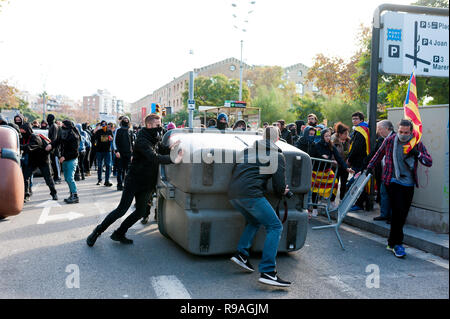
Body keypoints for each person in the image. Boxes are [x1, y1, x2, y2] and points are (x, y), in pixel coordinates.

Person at [86, 114, 183, 246]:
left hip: (147, 182)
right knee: (121, 210)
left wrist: (171, 148)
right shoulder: (142, 140)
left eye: (160, 124)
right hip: (134, 180)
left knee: (140, 212)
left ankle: (119, 233)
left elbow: (160, 149)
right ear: (149, 125)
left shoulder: (154, 136)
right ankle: (97, 232)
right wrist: (173, 159)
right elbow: (153, 157)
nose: (160, 127)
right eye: (157, 125)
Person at [228, 125, 291, 287]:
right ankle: (268, 271)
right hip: (251, 195)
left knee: (254, 221)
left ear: (262, 137)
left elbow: (236, 171)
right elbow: (278, 186)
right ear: (278, 138)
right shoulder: (277, 154)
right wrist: (283, 191)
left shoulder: (248, 151)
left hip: (234, 193)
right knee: (275, 226)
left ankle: (241, 254)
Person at [366, 119, 432, 258]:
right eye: (400, 131)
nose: (402, 134)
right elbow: (379, 154)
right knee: (397, 212)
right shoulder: (390, 140)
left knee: (402, 214)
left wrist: (417, 153)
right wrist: (369, 167)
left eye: (406, 132)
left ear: (411, 132)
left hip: (408, 183)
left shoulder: (416, 143)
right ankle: (398, 244)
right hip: (392, 180)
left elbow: (428, 161)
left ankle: (391, 242)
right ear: (398, 130)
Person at [310, 129, 354, 214]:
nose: (328, 137)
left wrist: (347, 168)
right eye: (326, 136)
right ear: (322, 136)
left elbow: (339, 158)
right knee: (316, 189)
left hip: (327, 170)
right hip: (316, 171)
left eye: (329, 136)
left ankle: (332, 202)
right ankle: (314, 209)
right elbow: (312, 155)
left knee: (335, 183)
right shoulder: (316, 145)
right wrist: (323, 157)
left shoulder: (331, 145)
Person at [20, 123, 58, 201]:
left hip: (43, 160)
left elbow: (30, 146)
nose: (22, 132)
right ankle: (26, 195)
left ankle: (54, 193)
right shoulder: (24, 138)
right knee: (25, 177)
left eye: (23, 130)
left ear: (27, 130)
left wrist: (20, 147)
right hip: (32, 160)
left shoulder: (35, 137)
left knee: (48, 178)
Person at [46, 120, 81, 204]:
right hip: (64, 159)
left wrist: (64, 157)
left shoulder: (74, 136)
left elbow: (75, 152)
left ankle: (75, 196)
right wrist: (51, 145)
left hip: (71, 159)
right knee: (67, 178)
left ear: (68, 126)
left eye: (63, 125)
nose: (62, 127)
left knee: (70, 178)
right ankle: (71, 194)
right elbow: (57, 141)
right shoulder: (64, 133)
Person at [371, 120, 395, 223]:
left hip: (393, 173)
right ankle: (384, 214)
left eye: (380, 129)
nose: (379, 131)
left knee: (392, 195)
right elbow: (378, 154)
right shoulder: (384, 139)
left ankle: (391, 216)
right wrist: (369, 166)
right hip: (385, 171)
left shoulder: (394, 138)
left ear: (387, 128)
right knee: (383, 193)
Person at [347, 111, 370, 211]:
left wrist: (349, 159)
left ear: (361, 120)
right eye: (353, 119)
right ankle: (359, 203)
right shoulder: (364, 129)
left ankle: (359, 204)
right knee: (359, 183)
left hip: (359, 161)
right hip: (361, 160)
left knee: (356, 184)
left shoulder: (361, 131)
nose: (354, 121)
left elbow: (356, 147)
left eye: (356, 119)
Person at [331, 122, 351, 202]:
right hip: (335, 166)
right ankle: (332, 200)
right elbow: (332, 153)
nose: (346, 135)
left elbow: (351, 152)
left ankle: (342, 199)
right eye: (345, 133)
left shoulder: (349, 141)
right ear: (339, 134)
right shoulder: (333, 142)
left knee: (343, 184)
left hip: (345, 166)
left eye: (347, 133)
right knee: (334, 184)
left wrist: (349, 160)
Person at [113, 116, 134, 191]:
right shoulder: (118, 130)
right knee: (120, 170)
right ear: (122, 121)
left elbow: (132, 143)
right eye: (124, 120)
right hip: (120, 153)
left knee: (128, 170)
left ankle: (126, 185)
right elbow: (115, 141)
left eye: (127, 120)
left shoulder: (130, 131)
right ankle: (119, 185)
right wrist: (116, 151)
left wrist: (132, 154)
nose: (126, 121)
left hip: (128, 153)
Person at [94, 120, 114, 187]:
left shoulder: (109, 131)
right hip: (99, 151)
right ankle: (99, 180)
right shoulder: (99, 132)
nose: (104, 126)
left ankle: (107, 180)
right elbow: (94, 138)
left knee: (108, 165)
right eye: (102, 125)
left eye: (105, 124)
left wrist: (111, 138)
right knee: (100, 166)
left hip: (107, 151)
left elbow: (112, 139)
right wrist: (96, 130)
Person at [47, 114, 62, 184]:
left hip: (55, 148)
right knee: (53, 163)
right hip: (51, 147)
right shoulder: (50, 126)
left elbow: (54, 138)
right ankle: (55, 177)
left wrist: (51, 145)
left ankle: (58, 177)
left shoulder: (54, 126)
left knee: (56, 163)